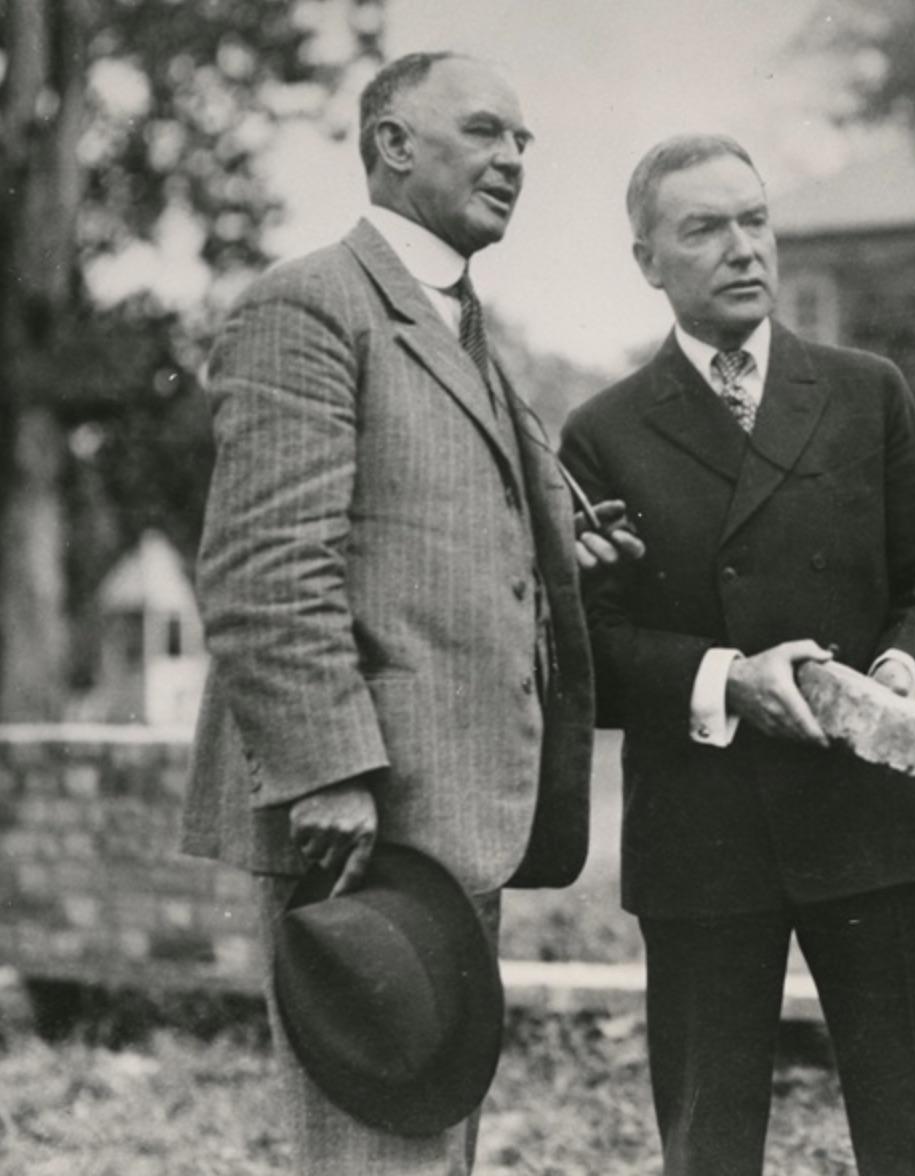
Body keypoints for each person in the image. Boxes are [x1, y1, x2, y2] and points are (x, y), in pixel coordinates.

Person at [180, 52, 640, 1175]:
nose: (513, 161)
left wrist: (547, 554)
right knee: (369, 1145)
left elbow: (421, 536)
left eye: (524, 143)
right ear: (390, 143)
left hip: (453, 805)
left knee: (428, 1139)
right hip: (356, 816)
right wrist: (325, 771)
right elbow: (262, 565)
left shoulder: (464, 328)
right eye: (485, 132)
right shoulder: (308, 305)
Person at [559, 134, 915, 1176]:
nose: (743, 249)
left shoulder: (863, 390)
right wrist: (723, 683)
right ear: (647, 260)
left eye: (755, 220)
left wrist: (895, 677)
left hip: (866, 819)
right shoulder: (601, 433)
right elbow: (584, 649)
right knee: (708, 1147)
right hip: (701, 839)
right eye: (704, 228)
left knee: (911, 1139)